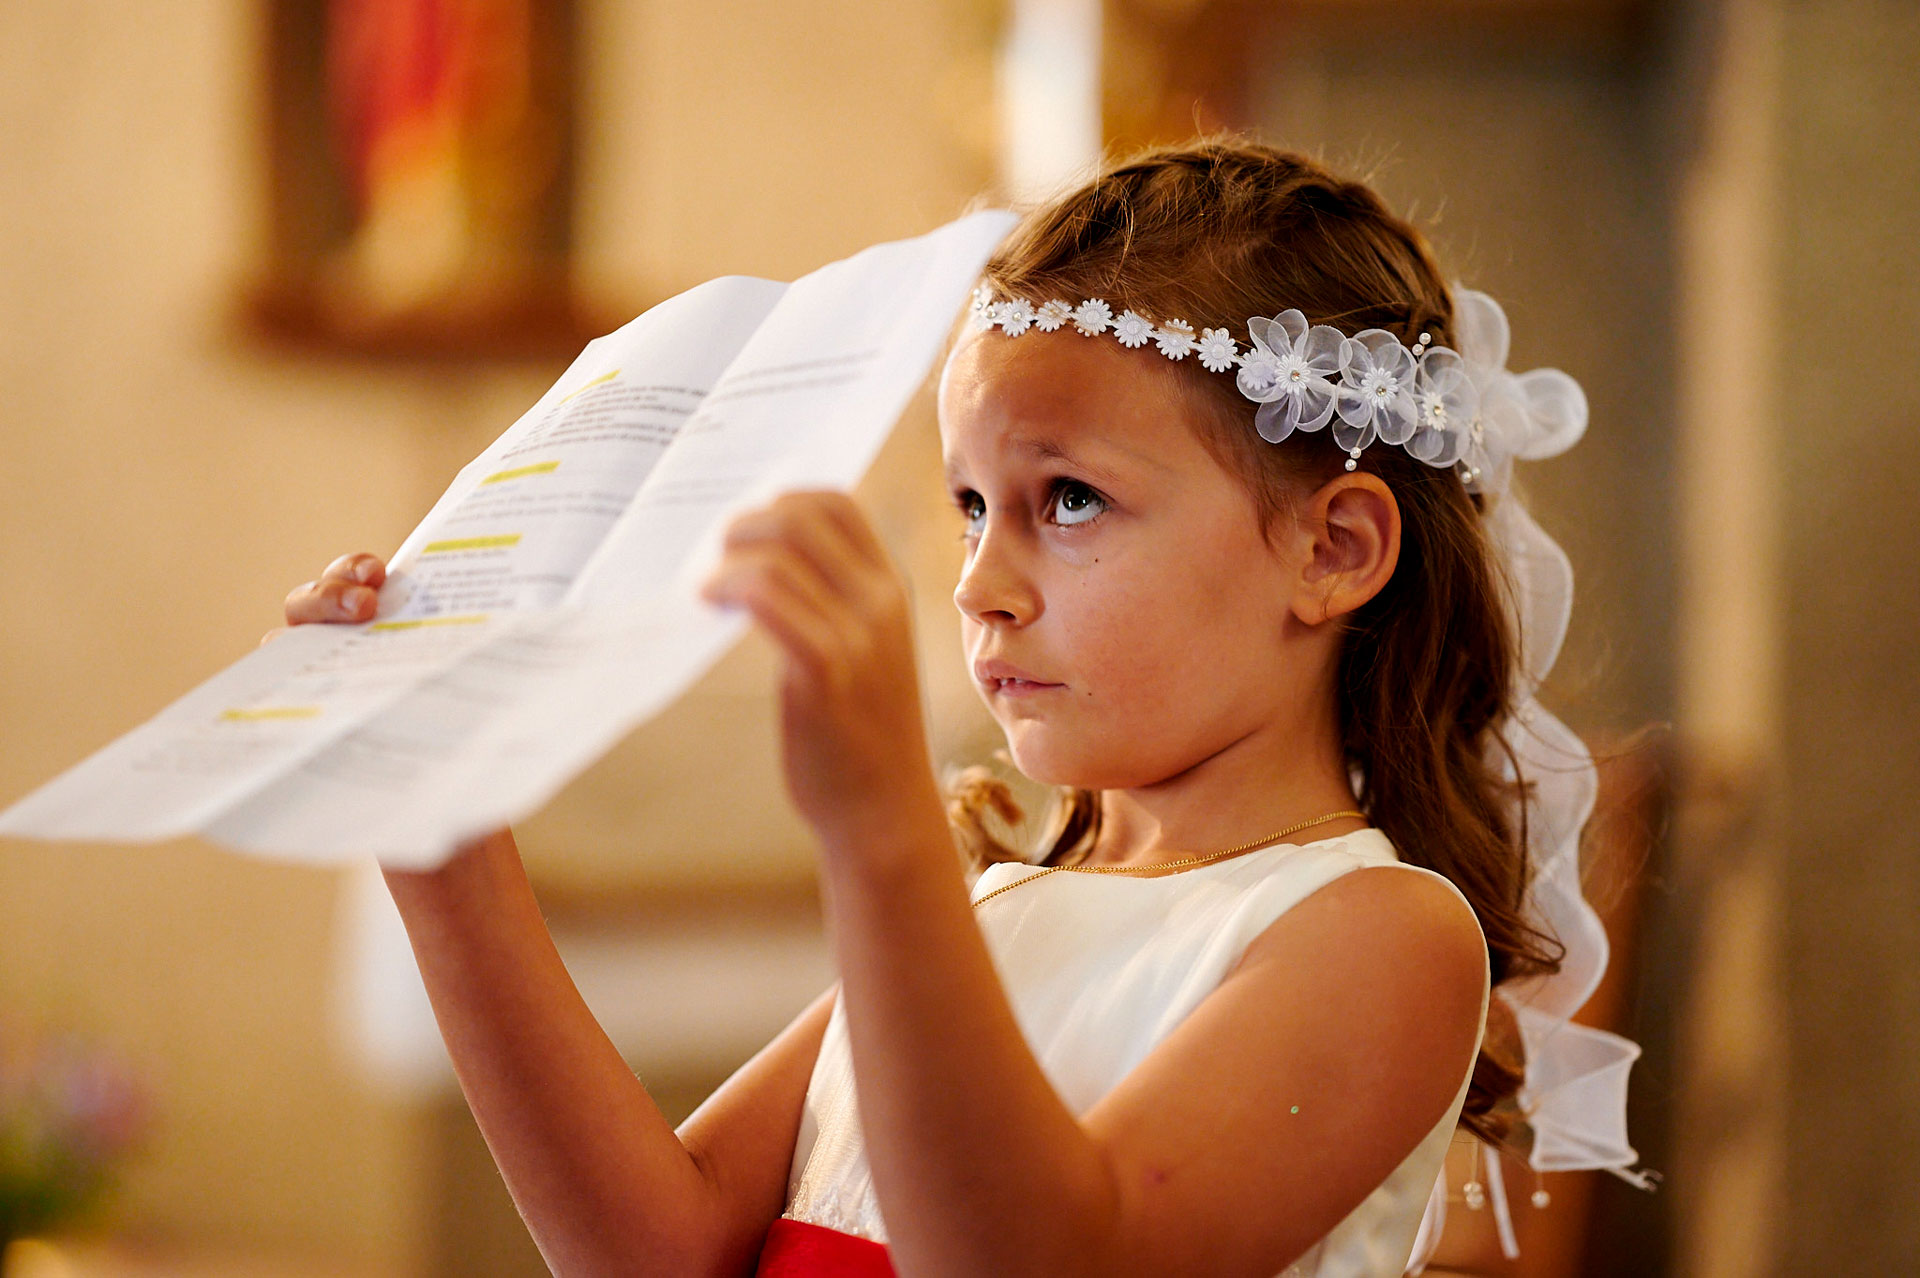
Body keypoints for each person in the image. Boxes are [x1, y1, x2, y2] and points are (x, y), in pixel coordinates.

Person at [274, 138, 1643, 1276]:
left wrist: (878, 829)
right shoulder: (994, 907)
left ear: (1332, 547)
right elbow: (661, 1244)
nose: (982, 581)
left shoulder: (1377, 936)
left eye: (1069, 499)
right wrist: (441, 837)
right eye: (972, 505)